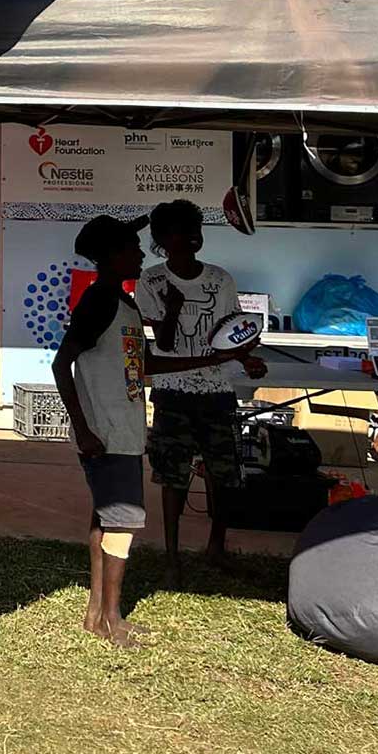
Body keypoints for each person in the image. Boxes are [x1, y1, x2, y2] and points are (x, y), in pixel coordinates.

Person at [51, 215, 260, 648]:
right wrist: (83, 428)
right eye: (132, 246)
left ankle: (97, 615)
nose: (142, 252)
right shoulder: (99, 301)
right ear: (111, 256)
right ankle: (112, 618)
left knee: (105, 518)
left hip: (121, 427)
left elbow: (147, 365)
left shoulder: (123, 303)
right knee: (123, 521)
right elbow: (61, 363)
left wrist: (220, 359)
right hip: (106, 431)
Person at [134, 198, 262, 581]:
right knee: (172, 475)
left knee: (223, 473)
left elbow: (232, 334)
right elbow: (165, 344)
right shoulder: (152, 280)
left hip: (218, 390)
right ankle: (172, 556)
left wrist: (246, 358)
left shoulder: (220, 279)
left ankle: (216, 548)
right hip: (172, 392)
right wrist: (172, 309)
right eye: (181, 231)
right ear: (162, 239)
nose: (192, 237)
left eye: (196, 230)